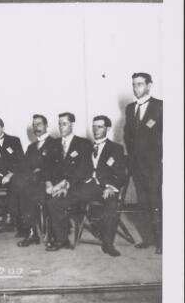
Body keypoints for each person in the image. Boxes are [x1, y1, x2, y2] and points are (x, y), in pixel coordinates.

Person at [47, 116, 127, 256]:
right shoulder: (87, 147)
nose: (96, 130)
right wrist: (67, 184)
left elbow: (121, 174)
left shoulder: (115, 148)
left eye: (100, 127)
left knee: (112, 204)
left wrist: (111, 187)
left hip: (105, 188)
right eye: (94, 126)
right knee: (54, 202)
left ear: (108, 128)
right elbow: (79, 171)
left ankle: (108, 244)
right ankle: (62, 240)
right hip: (86, 187)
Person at [124, 72, 163, 254]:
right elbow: (127, 135)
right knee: (143, 203)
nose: (136, 88)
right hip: (136, 166)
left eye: (139, 84)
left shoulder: (160, 106)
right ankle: (148, 239)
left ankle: (162, 241)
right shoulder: (130, 108)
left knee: (155, 202)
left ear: (149, 85)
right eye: (134, 84)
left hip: (154, 165)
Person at [44, 112, 92, 251]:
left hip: (75, 187)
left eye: (64, 124)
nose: (61, 127)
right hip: (55, 186)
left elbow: (84, 169)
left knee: (54, 203)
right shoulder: (53, 143)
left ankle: (61, 240)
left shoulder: (83, 144)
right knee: (42, 196)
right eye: (59, 124)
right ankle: (54, 234)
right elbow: (46, 166)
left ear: (72, 124)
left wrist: (65, 183)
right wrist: (48, 183)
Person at [8, 115, 58, 247]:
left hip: (49, 184)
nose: (36, 128)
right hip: (32, 183)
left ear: (46, 125)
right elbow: (24, 166)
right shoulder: (31, 147)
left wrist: (38, 171)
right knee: (22, 188)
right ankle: (31, 232)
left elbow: (55, 167)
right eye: (34, 125)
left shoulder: (55, 144)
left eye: (39, 124)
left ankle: (23, 226)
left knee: (25, 190)